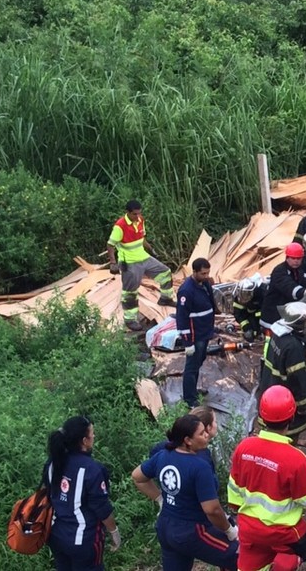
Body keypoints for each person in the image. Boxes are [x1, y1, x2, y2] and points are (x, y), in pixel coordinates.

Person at [228, 386, 306, 571]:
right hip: (284, 534)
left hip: (250, 532)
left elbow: (234, 492)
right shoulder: (294, 458)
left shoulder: (243, 448)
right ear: (291, 418)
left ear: (261, 416)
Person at [132, 415, 238, 571]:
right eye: (202, 433)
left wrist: (161, 499)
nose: (207, 435)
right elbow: (212, 510)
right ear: (188, 440)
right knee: (240, 556)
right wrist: (229, 530)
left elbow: (137, 477)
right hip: (192, 531)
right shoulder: (199, 467)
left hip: (165, 526)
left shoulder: (163, 456)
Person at [44, 416, 120, 570]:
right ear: (84, 441)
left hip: (56, 535)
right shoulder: (92, 469)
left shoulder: (53, 463)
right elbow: (101, 508)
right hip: (83, 540)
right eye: (92, 434)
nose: (94, 436)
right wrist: (114, 531)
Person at [108, 199, 175, 331]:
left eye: (139, 213)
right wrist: (113, 262)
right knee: (130, 291)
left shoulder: (140, 220)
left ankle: (166, 298)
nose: (137, 216)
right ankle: (130, 319)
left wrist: (151, 249)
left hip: (143, 257)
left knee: (165, 273)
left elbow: (142, 238)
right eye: (134, 214)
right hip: (129, 262)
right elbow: (110, 244)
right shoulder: (120, 226)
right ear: (127, 212)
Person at [259, 302, 306, 436]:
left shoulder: (277, 334)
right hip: (286, 406)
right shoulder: (293, 348)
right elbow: (298, 380)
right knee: (288, 439)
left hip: (271, 395)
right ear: (298, 324)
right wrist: (303, 406)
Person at [176, 258, 217, 407]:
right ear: (194, 272)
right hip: (195, 336)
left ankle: (193, 391)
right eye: (203, 273)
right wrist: (187, 342)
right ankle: (189, 399)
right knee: (191, 367)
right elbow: (182, 317)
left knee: (198, 362)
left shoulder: (205, 284)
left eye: (207, 273)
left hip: (204, 332)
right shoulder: (186, 291)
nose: (206, 276)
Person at [150, 405, 220, 473]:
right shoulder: (204, 460)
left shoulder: (165, 447)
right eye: (215, 421)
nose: (217, 424)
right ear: (209, 427)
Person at [261, 243, 306, 332]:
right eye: (293, 258)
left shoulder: (300, 271)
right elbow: (289, 287)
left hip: (287, 316)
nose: (296, 261)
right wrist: (305, 292)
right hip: (273, 316)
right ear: (287, 257)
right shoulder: (279, 271)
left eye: (298, 258)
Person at [233, 276, 268, 342]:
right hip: (249, 315)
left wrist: (261, 326)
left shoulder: (262, 293)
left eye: (246, 294)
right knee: (251, 334)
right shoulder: (239, 296)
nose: (244, 296)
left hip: (262, 316)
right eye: (242, 293)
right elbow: (238, 314)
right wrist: (246, 328)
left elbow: (267, 310)